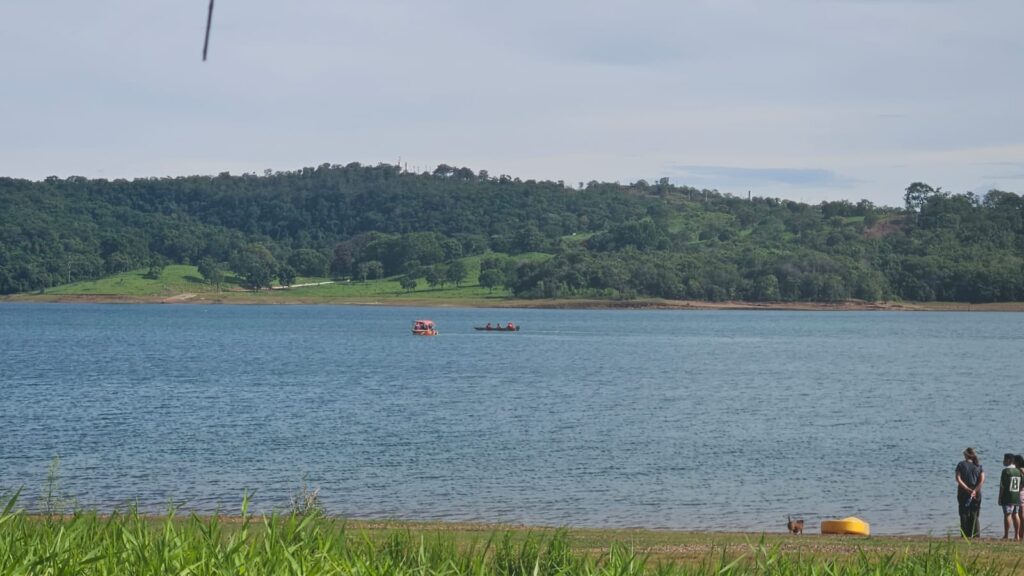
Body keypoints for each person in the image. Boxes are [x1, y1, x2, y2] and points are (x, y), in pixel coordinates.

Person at [956, 447, 984, 538]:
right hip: (976, 493)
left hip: (963, 492)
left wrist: (966, 488)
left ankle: (965, 535)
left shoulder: (961, 464)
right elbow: (982, 480)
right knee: (974, 514)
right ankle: (976, 535)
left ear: (966, 455)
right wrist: (975, 490)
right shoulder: (979, 466)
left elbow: (958, 479)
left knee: (963, 513)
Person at [999, 452, 1022, 540]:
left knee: (1007, 514)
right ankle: (1017, 535)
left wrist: (1000, 497)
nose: (1003, 461)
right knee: (1016, 514)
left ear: (1008, 460)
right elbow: (1021, 484)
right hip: (1016, 496)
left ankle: (1006, 535)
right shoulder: (1018, 471)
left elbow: (1002, 486)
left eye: (1004, 459)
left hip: (1008, 496)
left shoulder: (1006, 471)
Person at [1015, 455, 1024, 541]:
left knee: (1021, 514)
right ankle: (1020, 534)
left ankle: (1021, 534)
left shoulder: (1020, 470)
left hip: (1021, 493)